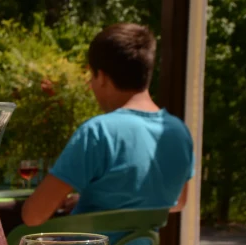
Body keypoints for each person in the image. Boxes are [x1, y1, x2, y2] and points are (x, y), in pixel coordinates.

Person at [21, 24, 193, 226]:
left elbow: (33, 215)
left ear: (101, 77)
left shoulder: (98, 133)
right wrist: (100, 206)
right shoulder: (178, 132)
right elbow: (178, 203)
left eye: (91, 76)